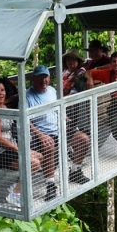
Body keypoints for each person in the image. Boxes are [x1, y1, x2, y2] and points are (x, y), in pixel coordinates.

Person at [27, 65, 91, 201]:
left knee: (83, 139)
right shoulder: (28, 95)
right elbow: (26, 121)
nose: (43, 80)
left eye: (46, 77)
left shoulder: (51, 90)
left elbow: (58, 108)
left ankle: (75, 171)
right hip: (43, 133)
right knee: (49, 146)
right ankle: (50, 185)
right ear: (33, 78)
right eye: (40, 77)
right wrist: (40, 135)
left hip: (60, 129)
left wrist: (66, 120)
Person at [0, 77, 42, 207]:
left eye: (2, 90)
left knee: (39, 156)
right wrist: (18, 149)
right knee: (33, 163)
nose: (0, 93)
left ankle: (15, 187)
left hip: (7, 149)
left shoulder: (3, 107)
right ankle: (15, 194)